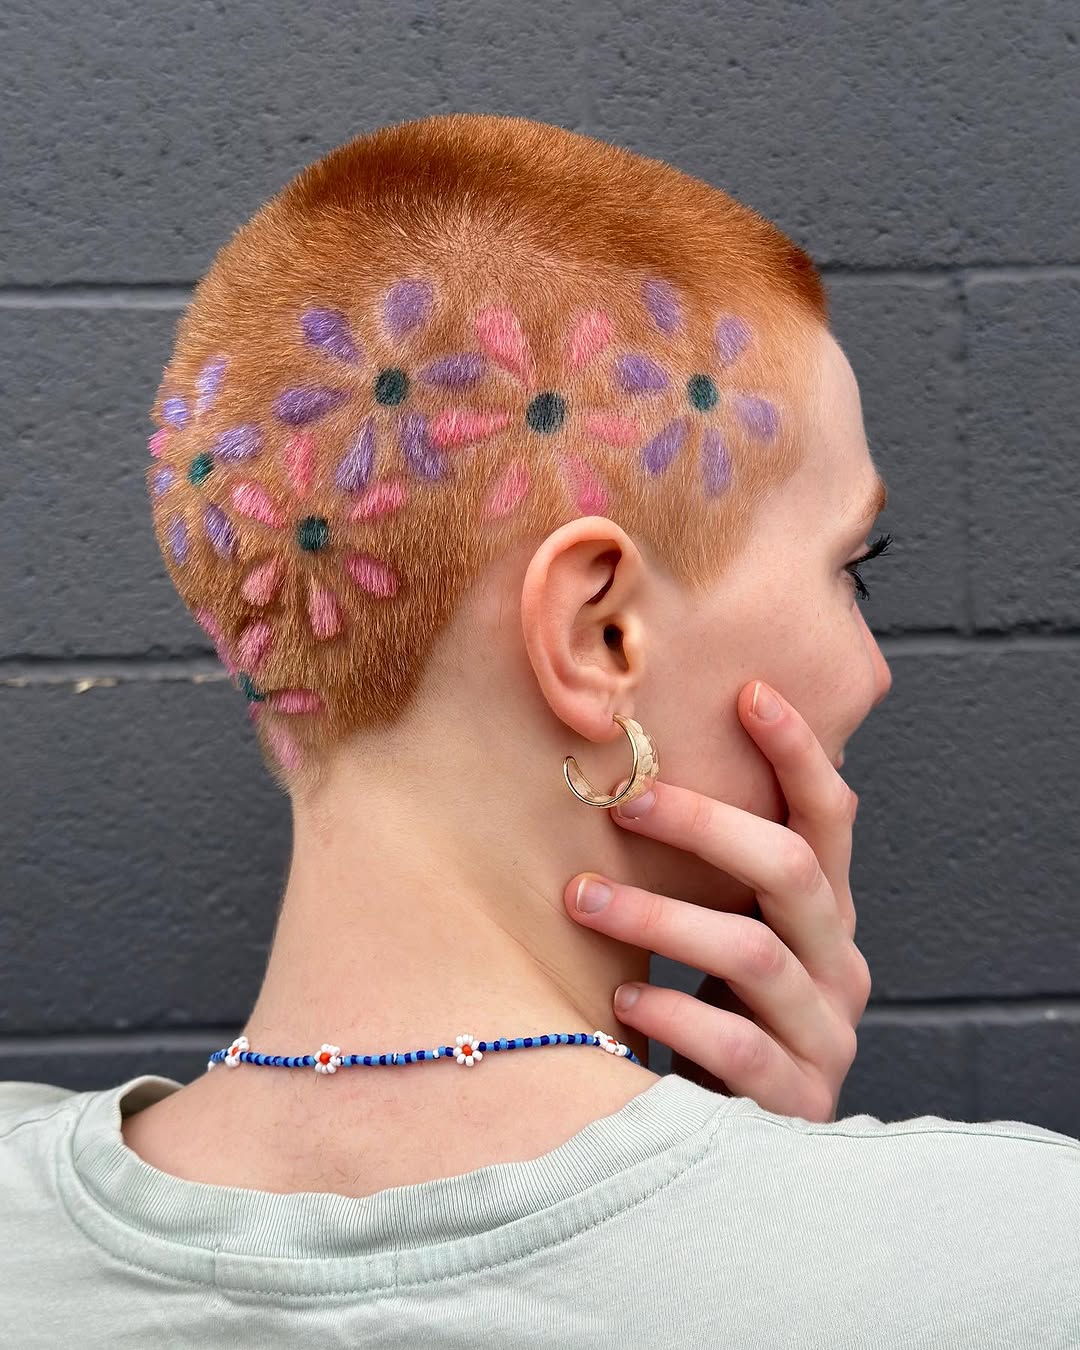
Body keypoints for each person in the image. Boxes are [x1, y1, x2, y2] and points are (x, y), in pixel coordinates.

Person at [2, 113, 1077, 1348]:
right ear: (599, 637)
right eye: (856, 570)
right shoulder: (1022, 1266)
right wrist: (819, 1232)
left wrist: (775, 1199)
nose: (875, 673)